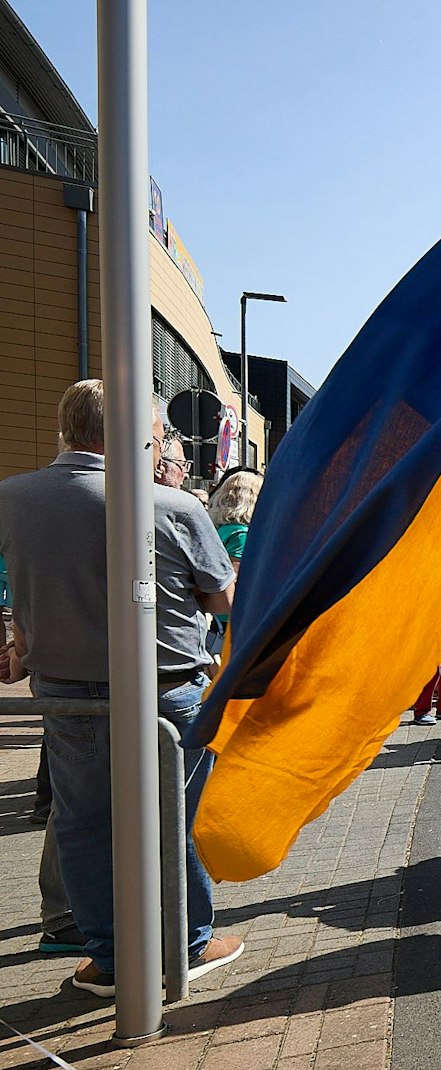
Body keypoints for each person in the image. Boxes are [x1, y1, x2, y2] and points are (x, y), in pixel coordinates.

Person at [0, 381, 246, 996]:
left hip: (64, 694)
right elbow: (222, 601)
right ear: (141, 435)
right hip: (167, 693)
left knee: (82, 823)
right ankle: (186, 945)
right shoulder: (168, 505)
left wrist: (16, 641)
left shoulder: (13, 498)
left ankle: (109, 957)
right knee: (171, 823)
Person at [205, 469, 260, 667]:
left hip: (219, 614)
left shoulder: (221, 529)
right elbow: (234, 578)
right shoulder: (241, 534)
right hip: (236, 618)